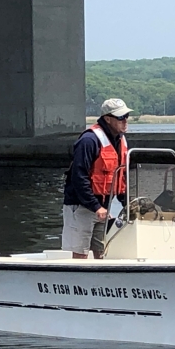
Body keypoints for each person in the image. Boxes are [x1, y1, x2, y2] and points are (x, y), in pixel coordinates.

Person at [62, 98, 133, 259]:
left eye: (127, 116)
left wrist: (128, 204)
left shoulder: (120, 140)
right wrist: (96, 207)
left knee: (103, 252)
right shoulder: (89, 140)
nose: (125, 121)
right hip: (81, 206)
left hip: (103, 208)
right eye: (121, 117)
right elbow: (78, 177)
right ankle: (78, 282)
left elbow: (120, 178)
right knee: (81, 253)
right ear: (107, 119)